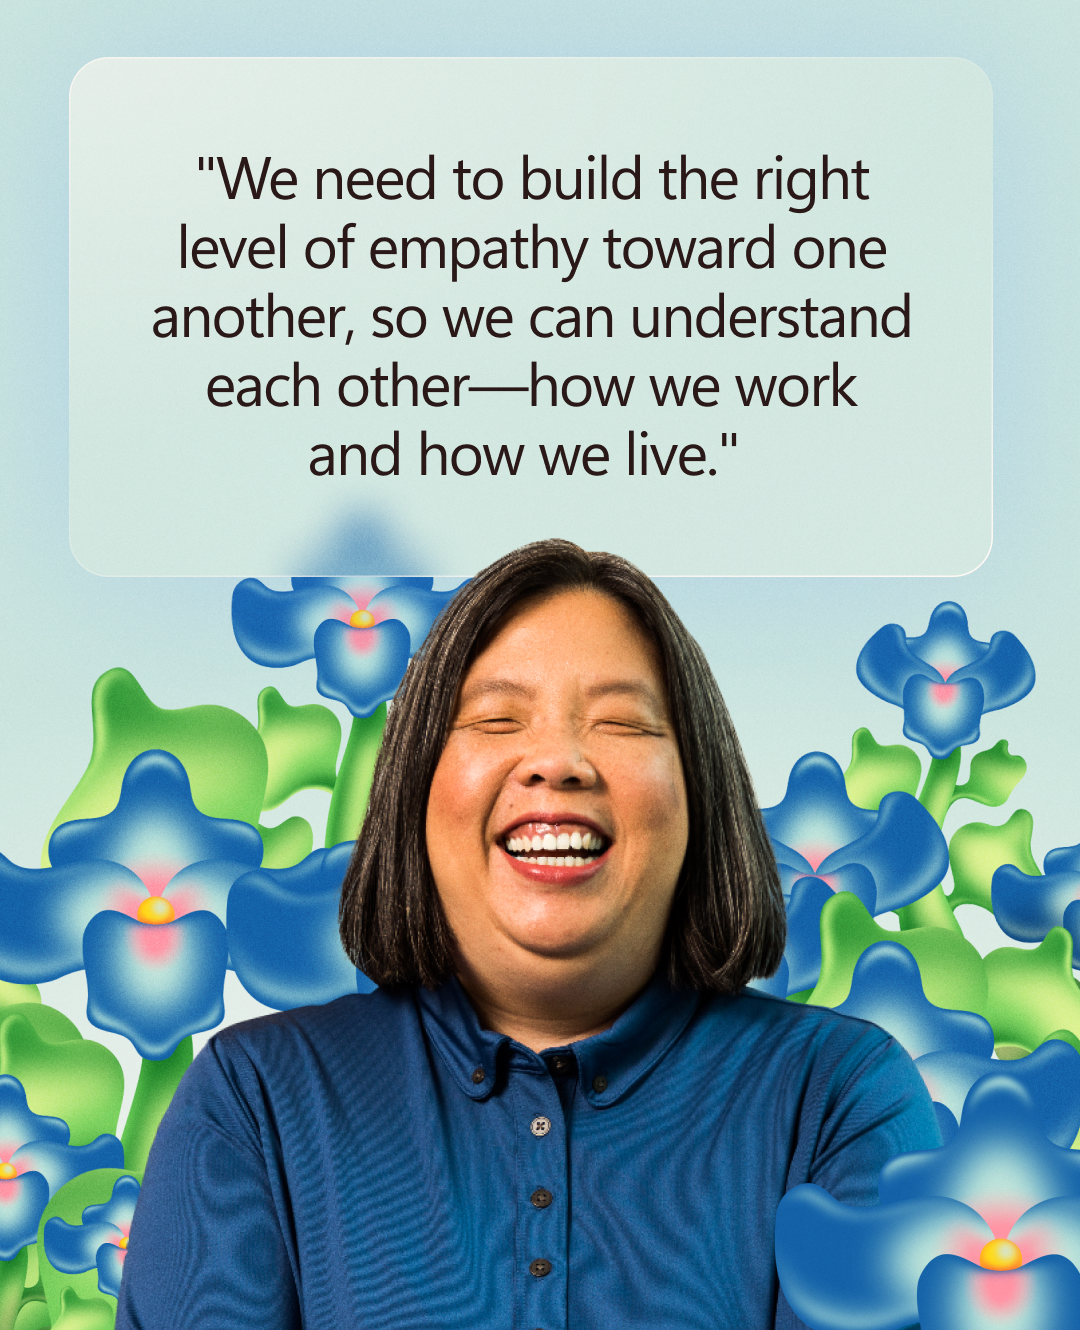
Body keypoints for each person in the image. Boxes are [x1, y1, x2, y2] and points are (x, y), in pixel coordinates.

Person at [117, 539, 940, 1330]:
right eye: (497, 720)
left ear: (702, 793)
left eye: (623, 724)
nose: (558, 761)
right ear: (415, 786)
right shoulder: (255, 1099)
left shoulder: (839, 1096)